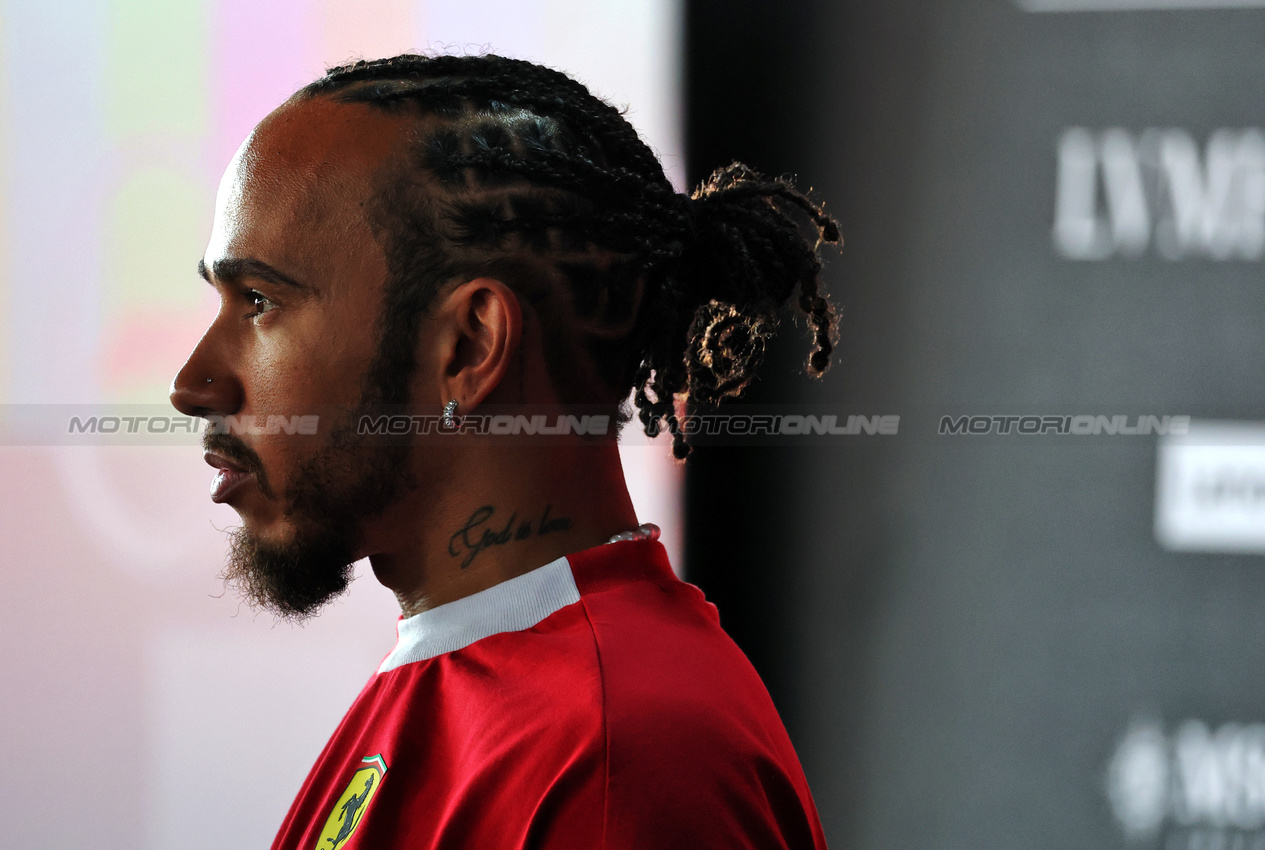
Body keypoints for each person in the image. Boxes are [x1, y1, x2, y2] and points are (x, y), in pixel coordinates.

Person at [169, 52, 839, 850]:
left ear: (470, 343)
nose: (193, 382)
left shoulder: (617, 755)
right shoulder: (478, 671)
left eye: (258, 302)